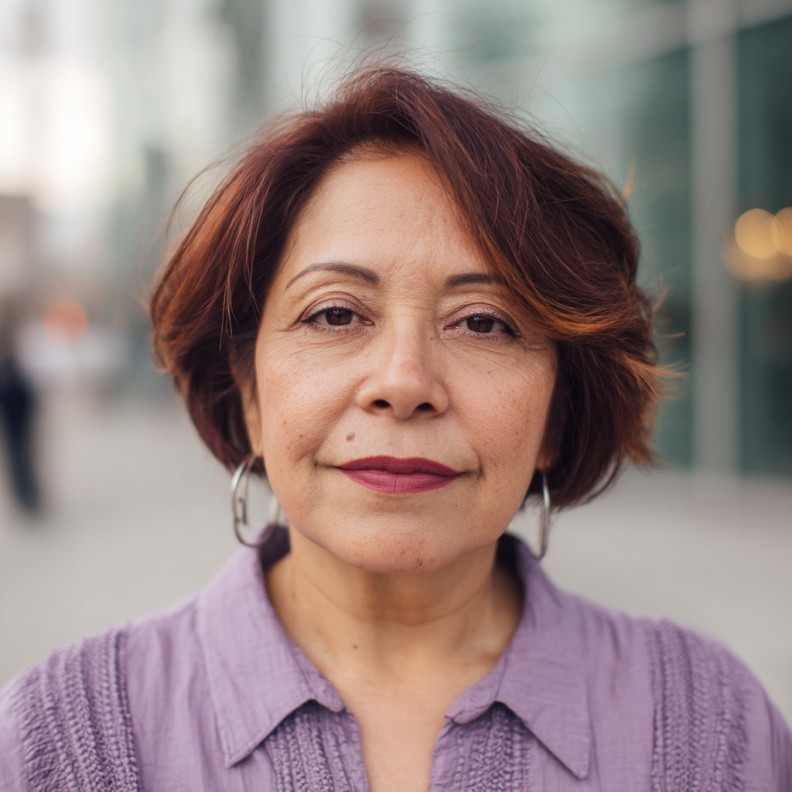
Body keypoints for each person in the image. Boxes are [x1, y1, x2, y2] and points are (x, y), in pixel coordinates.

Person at [1, 64, 790, 791]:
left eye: (483, 323)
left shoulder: (707, 734)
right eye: (336, 313)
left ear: (557, 411)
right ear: (248, 393)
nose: (404, 384)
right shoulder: (67, 743)